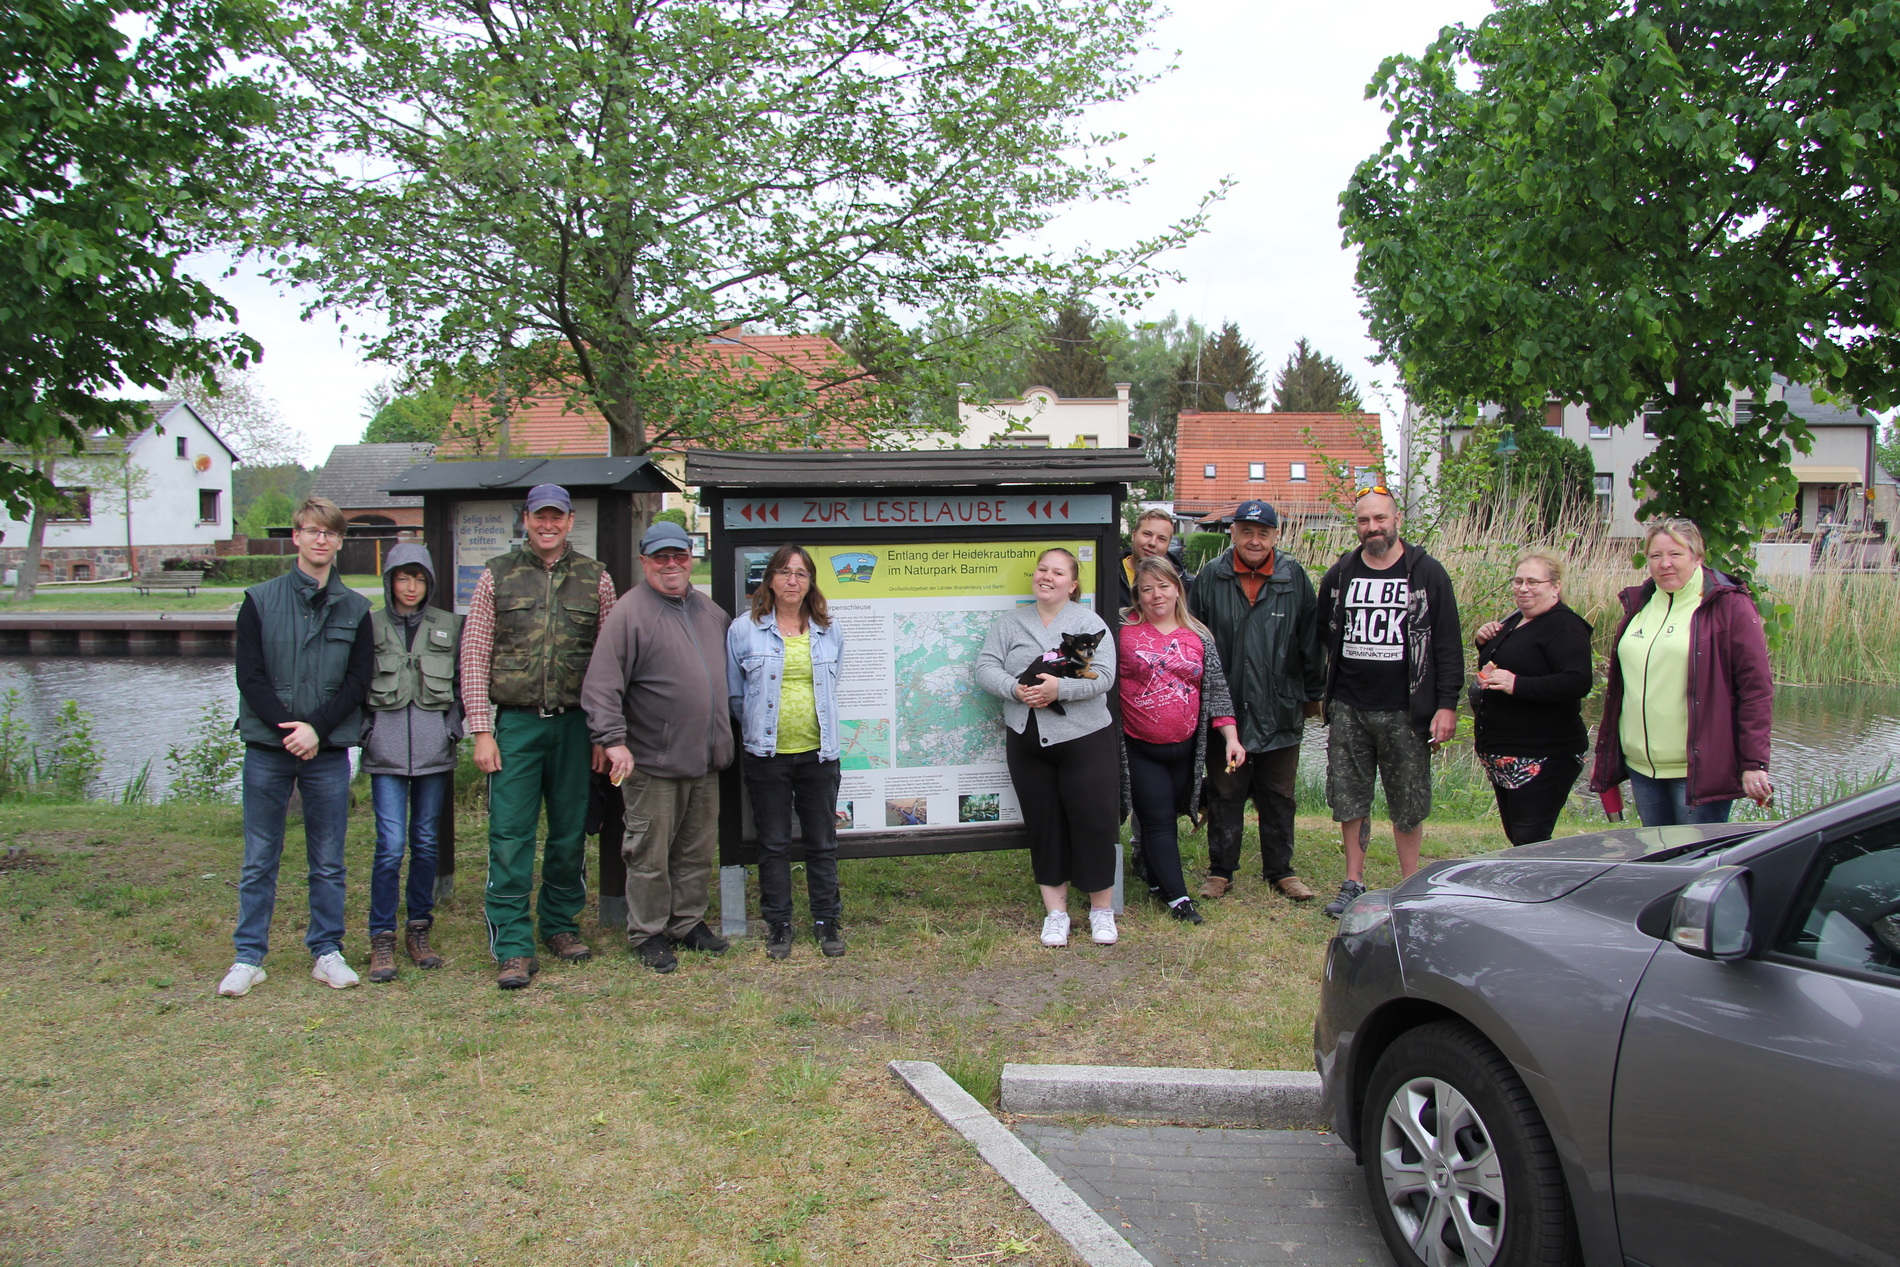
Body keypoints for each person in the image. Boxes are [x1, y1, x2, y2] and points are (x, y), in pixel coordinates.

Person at [461, 484, 618, 990]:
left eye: (556, 517)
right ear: (525, 520)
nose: (547, 525)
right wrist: (481, 730)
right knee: (510, 836)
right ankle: (512, 943)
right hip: (517, 725)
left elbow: (608, 663)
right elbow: (474, 654)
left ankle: (559, 924)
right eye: (538, 516)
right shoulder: (497, 574)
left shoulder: (596, 579)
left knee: (569, 832)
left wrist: (603, 733)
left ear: (570, 521)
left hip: (575, 727)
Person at [217, 496, 374, 997]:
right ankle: (249, 957)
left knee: (328, 859)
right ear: (297, 537)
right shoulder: (259, 600)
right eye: (312, 531)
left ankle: (326, 951)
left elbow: (357, 681)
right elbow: (250, 675)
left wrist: (316, 730)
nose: (320, 540)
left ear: (340, 541)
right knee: (259, 856)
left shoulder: (356, 608)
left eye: (330, 532)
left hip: (326, 754)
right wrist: (289, 729)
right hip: (268, 749)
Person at [583, 520, 736, 974]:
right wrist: (612, 740)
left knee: (696, 849)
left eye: (679, 556)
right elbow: (602, 684)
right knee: (648, 853)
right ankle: (647, 932)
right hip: (653, 760)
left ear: (691, 558)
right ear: (644, 561)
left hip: (706, 759)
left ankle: (686, 922)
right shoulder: (629, 613)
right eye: (660, 557)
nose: (671, 564)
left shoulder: (710, 612)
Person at [1317, 486, 1463, 918]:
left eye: (1380, 518)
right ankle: (1353, 881)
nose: (1372, 527)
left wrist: (1446, 704)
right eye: (1364, 520)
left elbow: (1448, 644)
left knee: (1408, 801)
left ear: (1397, 520)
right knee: (1349, 798)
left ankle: (1410, 885)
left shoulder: (1427, 573)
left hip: (1407, 710)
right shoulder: (1341, 573)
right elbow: (1325, 632)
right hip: (1350, 706)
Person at [975, 548, 1120, 947]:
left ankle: (1101, 911)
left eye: (1057, 573)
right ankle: (1056, 914)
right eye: (1042, 569)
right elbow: (985, 666)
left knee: (1094, 821)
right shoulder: (1010, 623)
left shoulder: (1089, 623)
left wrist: (1062, 689)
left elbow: (1105, 675)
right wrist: (1014, 689)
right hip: (1027, 740)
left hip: (1084, 738)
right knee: (1044, 824)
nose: (1047, 577)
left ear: (1072, 584)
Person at [1590, 518, 1773, 825]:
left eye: (1675, 554)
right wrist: (1607, 753)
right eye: (1656, 555)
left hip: (1697, 770)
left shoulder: (1729, 606)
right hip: (1642, 766)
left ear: (1697, 556)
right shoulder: (1640, 604)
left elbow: (1755, 690)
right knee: (1658, 851)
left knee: (1696, 853)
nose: (1665, 564)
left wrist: (1754, 763)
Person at [1186, 500, 1325, 902]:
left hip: (1280, 704)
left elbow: (1311, 640)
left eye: (1263, 533)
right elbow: (1193, 639)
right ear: (1233, 533)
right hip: (1225, 706)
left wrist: (1313, 695)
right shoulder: (1212, 576)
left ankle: (1281, 870)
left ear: (1275, 536)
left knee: (1279, 794)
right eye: (1246, 532)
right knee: (1225, 791)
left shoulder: (1293, 576)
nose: (1254, 540)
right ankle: (1220, 870)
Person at [726, 545, 847, 960]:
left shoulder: (829, 630)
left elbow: (833, 683)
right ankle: (778, 923)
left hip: (819, 754)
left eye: (801, 574)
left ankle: (826, 920)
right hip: (767, 756)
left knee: (822, 842)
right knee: (774, 842)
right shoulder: (743, 630)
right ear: (770, 580)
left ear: (810, 582)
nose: (792, 580)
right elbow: (736, 696)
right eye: (784, 572)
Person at [1118, 555, 1246, 924]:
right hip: (1139, 746)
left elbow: (1217, 691)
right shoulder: (1122, 632)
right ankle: (1179, 899)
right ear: (1137, 595)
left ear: (1177, 589)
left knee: (1165, 818)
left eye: (1163, 586)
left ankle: (1157, 881)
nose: (1156, 595)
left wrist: (1232, 738)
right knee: (1158, 820)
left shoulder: (1198, 635)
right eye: (1147, 589)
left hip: (1185, 749)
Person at [359, 543, 462, 982]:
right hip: (384, 753)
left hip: (433, 753)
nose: (411, 587)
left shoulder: (449, 625)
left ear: (429, 583)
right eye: (403, 578)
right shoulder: (369, 625)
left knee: (425, 842)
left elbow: (463, 684)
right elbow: (353, 682)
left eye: (419, 579)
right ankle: (381, 936)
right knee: (389, 845)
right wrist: (366, 732)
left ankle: (419, 929)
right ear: (390, 581)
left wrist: (451, 729)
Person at [1469, 549, 1593, 846]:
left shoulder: (1564, 626)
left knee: (1530, 838)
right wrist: (1484, 642)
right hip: (1504, 752)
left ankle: (1543, 878)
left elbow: (1577, 681)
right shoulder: (1517, 619)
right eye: (1518, 581)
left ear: (1555, 586)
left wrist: (1517, 685)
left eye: (1533, 582)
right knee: (1518, 836)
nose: (1523, 588)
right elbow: (1512, 662)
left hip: (1543, 754)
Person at [1118, 508, 1190, 610]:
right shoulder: (1107, 575)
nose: (1152, 543)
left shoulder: (1185, 584)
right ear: (1134, 535)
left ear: (1168, 545)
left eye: (1161, 539)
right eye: (1147, 534)